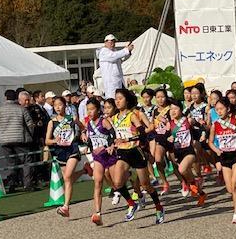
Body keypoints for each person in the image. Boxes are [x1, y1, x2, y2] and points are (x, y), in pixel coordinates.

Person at [110, 88, 164, 225]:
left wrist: (127, 140)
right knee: (117, 183)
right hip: (122, 153)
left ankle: (159, 207)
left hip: (135, 151)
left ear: (127, 100)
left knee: (146, 185)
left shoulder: (132, 115)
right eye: (116, 99)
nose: (117, 101)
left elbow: (142, 133)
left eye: (120, 98)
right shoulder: (114, 117)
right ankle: (131, 204)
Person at [45, 96, 86, 218]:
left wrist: (83, 134)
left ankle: (66, 206)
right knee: (68, 179)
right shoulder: (51, 122)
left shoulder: (72, 118)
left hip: (72, 149)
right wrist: (54, 141)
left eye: (60, 104)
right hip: (60, 152)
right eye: (55, 105)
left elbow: (83, 127)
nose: (58, 107)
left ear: (65, 106)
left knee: (68, 177)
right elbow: (47, 140)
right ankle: (85, 170)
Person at [82, 97, 117, 225]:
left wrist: (108, 146)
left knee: (118, 182)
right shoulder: (89, 124)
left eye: (92, 109)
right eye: (87, 110)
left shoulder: (104, 121)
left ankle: (132, 199)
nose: (89, 112)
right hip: (98, 158)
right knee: (98, 183)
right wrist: (87, 143)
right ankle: (98, 213)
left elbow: (113, 135)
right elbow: (91, 140)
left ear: (98, 109)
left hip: (110, 155)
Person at [0, 89, 35, 192]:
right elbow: (30, 125)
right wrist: (30, 136)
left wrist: (0, 138)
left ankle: (12, 185)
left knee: (10, 163)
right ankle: (27, 185)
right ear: (16, 98)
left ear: (5, 98)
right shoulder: (22, 109)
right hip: (21, 139)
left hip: (5, 141)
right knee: (26, 162)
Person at [166, 99, 207, 206]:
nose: (173, 111)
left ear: (181, 109)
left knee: (182, 169)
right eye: (171, 109)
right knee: (184, 172)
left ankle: (193, 183)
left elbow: (202, 126)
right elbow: (165, 138)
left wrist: (203, 135)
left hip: (189, 150)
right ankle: (200, 192)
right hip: (178, 152)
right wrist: (169, 138)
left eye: (175, 108)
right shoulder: (169, 124)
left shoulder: (188, 120)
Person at [98, 34, 133, 99]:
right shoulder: (103, 51)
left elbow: (121, 59)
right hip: (110, 82)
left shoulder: (115, 52)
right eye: (110, 42)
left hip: (118, 80)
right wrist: (126, 50)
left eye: (113, 42)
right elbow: (113, 56)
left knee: (122, 98)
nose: (112, 44)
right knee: (113, 99)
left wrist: (129, 51)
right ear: (105, 42)